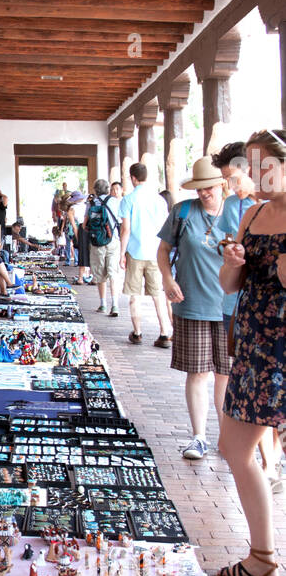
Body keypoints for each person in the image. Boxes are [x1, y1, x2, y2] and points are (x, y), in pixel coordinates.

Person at [216, 128, 286, 576]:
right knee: (234, 448)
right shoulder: (253, 213)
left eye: (268, 166)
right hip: (255, 346)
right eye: (252, 165)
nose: (257, 175)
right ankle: (262, 556)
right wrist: (234, 260)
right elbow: (229, 286)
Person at [156, 157, 238, 461]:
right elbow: (164, 250)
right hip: (190, 303)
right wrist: (167, 278)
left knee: (225, 375)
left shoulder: (237, 214)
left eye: (210, 187)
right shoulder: (183, 212)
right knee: (198, 372)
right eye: (200, 188)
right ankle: (199, 436)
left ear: (222, 184)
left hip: (229, 306)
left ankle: (226, 439)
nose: (204, 193)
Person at [118, 162, 174, 347]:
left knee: (135, 295)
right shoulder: (159, 200)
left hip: (135, 251)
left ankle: (137, 332)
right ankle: (164, 333)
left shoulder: (128, 200)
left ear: (133, 178)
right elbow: (166, 227)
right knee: (158, 295)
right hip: (156, 252)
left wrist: (122, 253)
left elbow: (125, 229)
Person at [85, 180, 122, 316]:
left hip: (97, 243)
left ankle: (103, 304)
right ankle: (115, 305)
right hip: (113, 241)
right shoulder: (115, 202)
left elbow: (85, 225)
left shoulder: (92, 203)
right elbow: (120, 222)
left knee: (100, 274)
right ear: (107, 189)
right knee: (113, 273)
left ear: (95, 190)